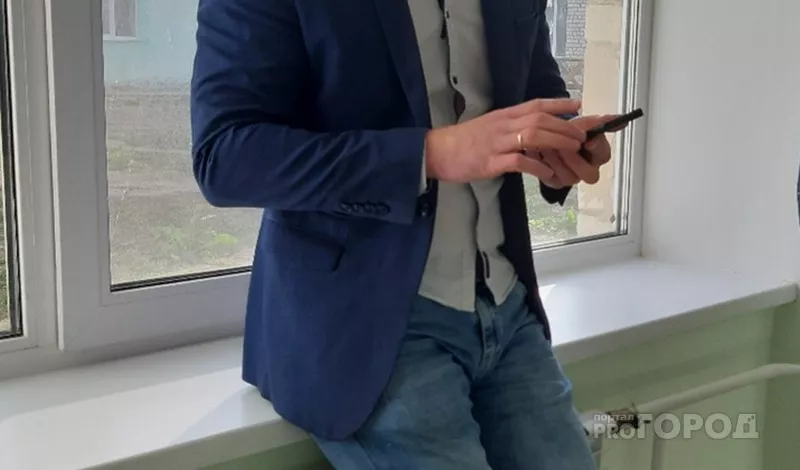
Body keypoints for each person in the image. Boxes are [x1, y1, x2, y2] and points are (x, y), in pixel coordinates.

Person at [191, 0, 621, 468]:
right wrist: (428, 154)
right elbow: (225, 157)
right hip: (364, 324)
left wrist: (563, 144)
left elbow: (533, 94)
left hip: (506, 304)